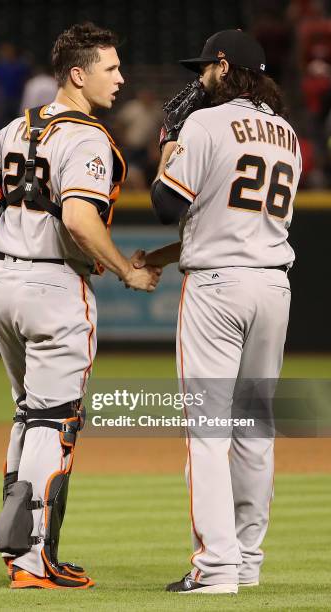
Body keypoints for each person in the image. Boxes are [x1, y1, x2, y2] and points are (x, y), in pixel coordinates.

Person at [0, 22, 161, 591]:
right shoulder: (87, 138)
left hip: (3, 283)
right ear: (77, 73)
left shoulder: (17, 127)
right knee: (54, 420)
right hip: (53, 289)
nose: (120, 77)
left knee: (27, 414)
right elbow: (78, 219)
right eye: (110, 68)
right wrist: (126, 271)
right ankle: (34, 560)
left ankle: (18, 550)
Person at [136, 29, 301, 594]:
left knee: (207, 433)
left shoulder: (204, 124)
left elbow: (166, 205)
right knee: (256, 430)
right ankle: (247, 561)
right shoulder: (287, 135)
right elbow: (234, 219)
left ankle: (215, 569)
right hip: (273, 288)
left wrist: (169, 137)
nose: (198, 79)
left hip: (218, 290)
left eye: (204, 69)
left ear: (224, 66)